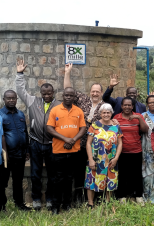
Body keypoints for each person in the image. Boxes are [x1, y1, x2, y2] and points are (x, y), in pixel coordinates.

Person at [16, 60, 61, 210]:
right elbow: (21, 91)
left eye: (49, 93)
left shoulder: (59, 105)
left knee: (52, 175)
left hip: (52, 144)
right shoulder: (33, 101)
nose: (46, 96)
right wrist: (20, 74)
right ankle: (36, 199)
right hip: (35, 142)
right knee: (35, 173)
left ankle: (49, 199)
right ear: (40, 93)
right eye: (44, 93)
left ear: (53, 93)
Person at [64, 63, 105, 204]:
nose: (94, 93)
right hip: (80, 143)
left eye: (97, 92)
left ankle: (97, 197)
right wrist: (67, 72)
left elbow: (110, 120)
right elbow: (68, 90)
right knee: (79, 171)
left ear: (101, 93)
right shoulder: (83, 100)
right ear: (90, 91)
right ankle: (79, 197)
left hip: (97, 147)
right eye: (93, 91)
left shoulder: (104, 106)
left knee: (96, 171)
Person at [46, 87, 86, 214]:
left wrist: (73, 140)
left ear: (75, 97)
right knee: (57, 179)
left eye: (71, 95)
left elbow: (83, 128)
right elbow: (49, 128)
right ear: (62, 96)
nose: (68, 97)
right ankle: (55, 206)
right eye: (66, 95)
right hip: (58, 151)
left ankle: (67, 204)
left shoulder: (79, 111)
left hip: (74, 151)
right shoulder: (55, 110)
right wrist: (65, 139)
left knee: (69, 178)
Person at [0, 90, 31, 211]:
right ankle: (1, 205)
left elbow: (25, 133)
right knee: (3, 181)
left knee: (18, 180)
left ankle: (20, 204)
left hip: (20, 155)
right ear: (4, 99)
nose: (11, 100)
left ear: (16, 99)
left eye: (13, 98)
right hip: (6, 156)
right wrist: (4, 154)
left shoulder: (20, 114)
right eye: (8, 98)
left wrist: (27, 150)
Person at [84, 104, 123, 206]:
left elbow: (120, 143)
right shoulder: (94, 126)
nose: (106, 114)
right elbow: (88, 143)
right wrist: (90, 159)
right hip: (96, 158)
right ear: (100, 114)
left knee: (110, 179)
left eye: (108, 112)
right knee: (91, 179)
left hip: (111, 158)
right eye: (104, 112)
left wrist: (116, 158)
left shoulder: (116, 126)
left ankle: (107, 202)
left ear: (111, 113)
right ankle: (90, 203)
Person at [114, 97, 149, 204]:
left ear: (132, 106)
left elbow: (145, 130)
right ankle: (122, 196)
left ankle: (138, 195)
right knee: (123, 174)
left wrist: (138, 119)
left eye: (129, 105)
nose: (127, 107)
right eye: (125, 105)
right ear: (121, 106)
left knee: (137, 174)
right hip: (122, 152)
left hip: (136, 150)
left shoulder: (138, 116)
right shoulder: (117, 117)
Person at [141, 109, 154, 203]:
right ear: (147, 104)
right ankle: (145, 195)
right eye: (150, 102)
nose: (152, 104)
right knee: (145, 175)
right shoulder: (142, 115)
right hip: (144, 152)